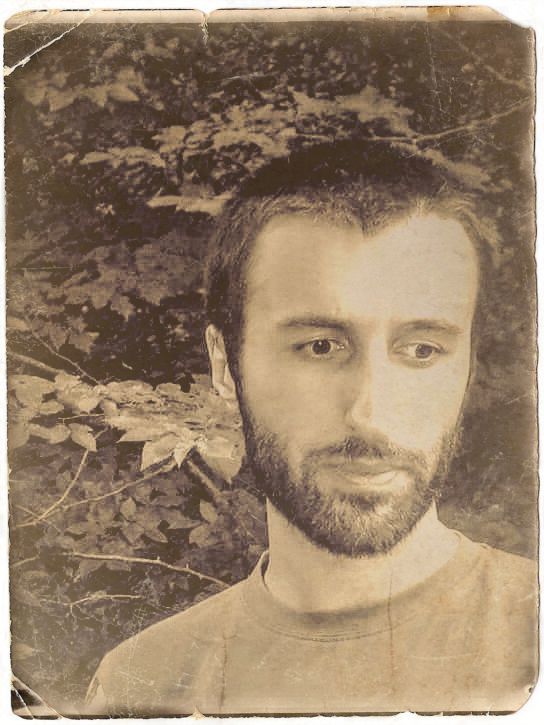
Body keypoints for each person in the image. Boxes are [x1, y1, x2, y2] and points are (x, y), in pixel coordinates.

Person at [84, 141, 538, 716]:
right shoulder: (142, 685)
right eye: (320, 346)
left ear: (468, 365)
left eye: (422, 350)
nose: (370, 413)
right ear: (225, 364)